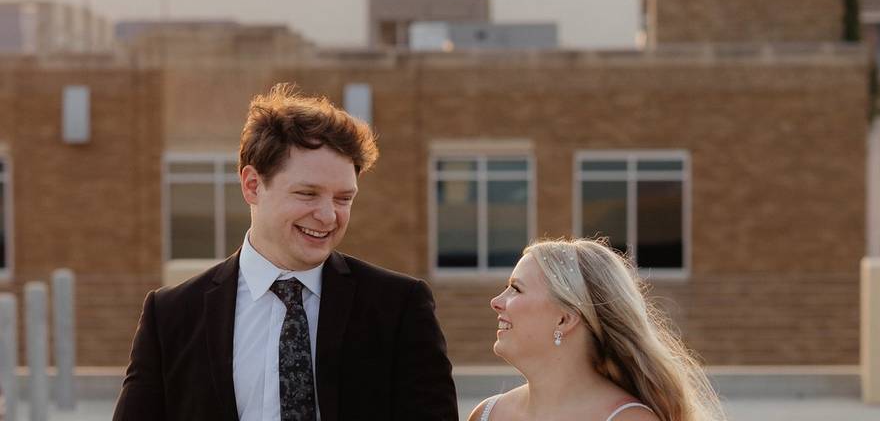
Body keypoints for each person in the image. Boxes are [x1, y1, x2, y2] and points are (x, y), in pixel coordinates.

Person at [114, 83, 458, 421]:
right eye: (308, 194)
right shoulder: (172, 315)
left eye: (343, 198)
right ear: (252, 185)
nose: (328, 215)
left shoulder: (399, 307)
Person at [469, 239, 725, 421]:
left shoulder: (628, 419)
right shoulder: (487, 414)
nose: (496, 302)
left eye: (516, 289)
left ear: (565, 319)